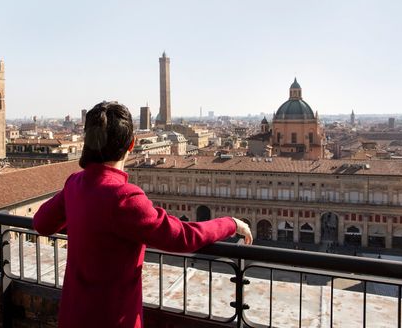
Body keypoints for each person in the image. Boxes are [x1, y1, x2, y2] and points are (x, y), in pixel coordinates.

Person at [33, 101, 252, 328]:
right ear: (131, 145)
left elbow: (41, 223)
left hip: (72, 317)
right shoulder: (123, 196)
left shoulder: (74, 184)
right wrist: (230, 223)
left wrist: (83, 220)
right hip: (114, 320)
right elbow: (181, 237)